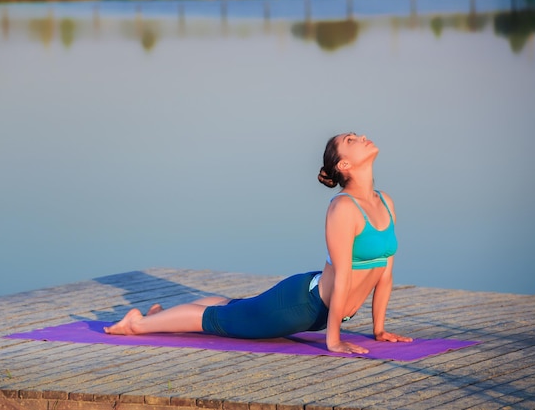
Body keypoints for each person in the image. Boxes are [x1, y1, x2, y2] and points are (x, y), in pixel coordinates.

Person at [104, 132, 412, 354]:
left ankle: (160, 316)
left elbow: (385, 272)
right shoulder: (343, 208)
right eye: (351, 140)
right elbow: (343, 276)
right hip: (303, 306)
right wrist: (334, 339)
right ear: (343, 165)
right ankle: (137, 324)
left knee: (237, 309)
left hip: (320, 306)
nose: (361, 137)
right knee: (221, 319)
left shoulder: (384, 202)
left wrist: (379, 329)